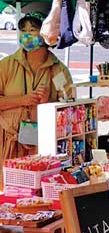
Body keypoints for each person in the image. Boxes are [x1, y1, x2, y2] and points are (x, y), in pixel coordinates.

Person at [0, 14, 74, 167]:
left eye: (32, 30)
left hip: (43, 146)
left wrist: (47, 104)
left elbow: (71, 110)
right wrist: (23, 100)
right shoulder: (6, 65)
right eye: (23, 30)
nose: (26, 34)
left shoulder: (58, 70)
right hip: (8, 142)